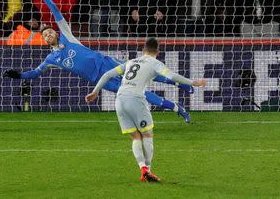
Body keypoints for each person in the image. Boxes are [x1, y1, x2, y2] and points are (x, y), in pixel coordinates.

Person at [3, 0, 194, 122]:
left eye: (50, 31)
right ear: (44, 41)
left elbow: (56, 12)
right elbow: (35, 74)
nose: (48, 34)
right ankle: (177, 108)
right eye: (45, 35)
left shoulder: (68, 37)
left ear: (56, 32)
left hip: (108, 63)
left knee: (144, 72)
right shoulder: (52, 59)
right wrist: (18, 75)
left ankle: (180, 84)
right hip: (101, 81)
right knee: (137, 93)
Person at [85, 38, 206, 182]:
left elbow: (106, 75)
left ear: (143, 50)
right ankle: (148, 170)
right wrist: (194, 82)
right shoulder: (155, 63)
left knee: (136, 136)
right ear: (158, 52)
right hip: (135, 98)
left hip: (120, 99)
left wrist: (95, 91)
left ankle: (142, 169)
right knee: (147, 134)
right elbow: (172, 76)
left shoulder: (131, 62)